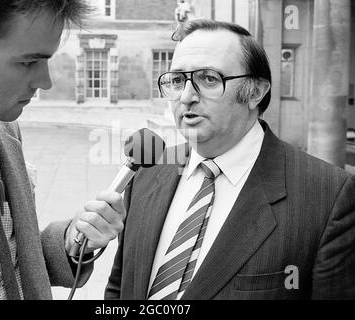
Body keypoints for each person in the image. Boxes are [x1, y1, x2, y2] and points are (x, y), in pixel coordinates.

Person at [105, 19, 355, 300]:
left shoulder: (329, 195)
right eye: (177, 81)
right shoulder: (148, 169)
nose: (186, 96)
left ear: (256, 92)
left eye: (208, 78)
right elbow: (120, 287)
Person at [0, 0, 126, 300]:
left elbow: (6, 261)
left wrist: (71, 241)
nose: (45, 81)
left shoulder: (5, 130)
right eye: (27, 62)